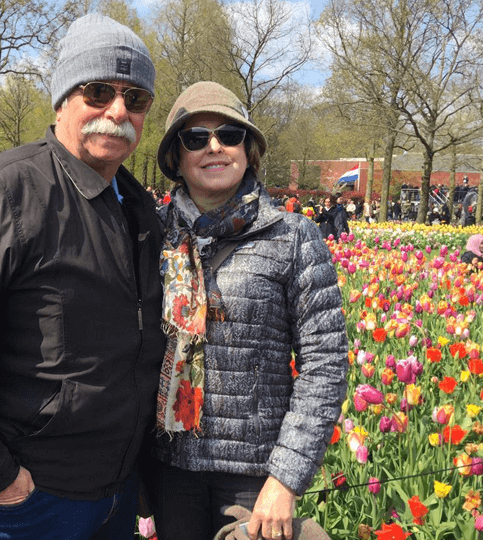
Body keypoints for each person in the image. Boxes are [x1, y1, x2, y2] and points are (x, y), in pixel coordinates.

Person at [0, 14, 165, 539]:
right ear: (63, 97)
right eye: (98, 90)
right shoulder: (2, 192)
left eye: (136, 99)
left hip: (114, 493)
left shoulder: (139, 210)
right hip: (22, 503)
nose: (117, 111)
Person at [144, 81, 348, 540]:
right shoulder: (151, 235)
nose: (214, 146)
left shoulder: (292, 237)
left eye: (230, 135)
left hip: (254, 478)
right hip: (171, 469)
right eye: (196, 138)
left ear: (248, 149)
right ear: (176, 157)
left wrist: (286, 479)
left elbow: (326, 364)